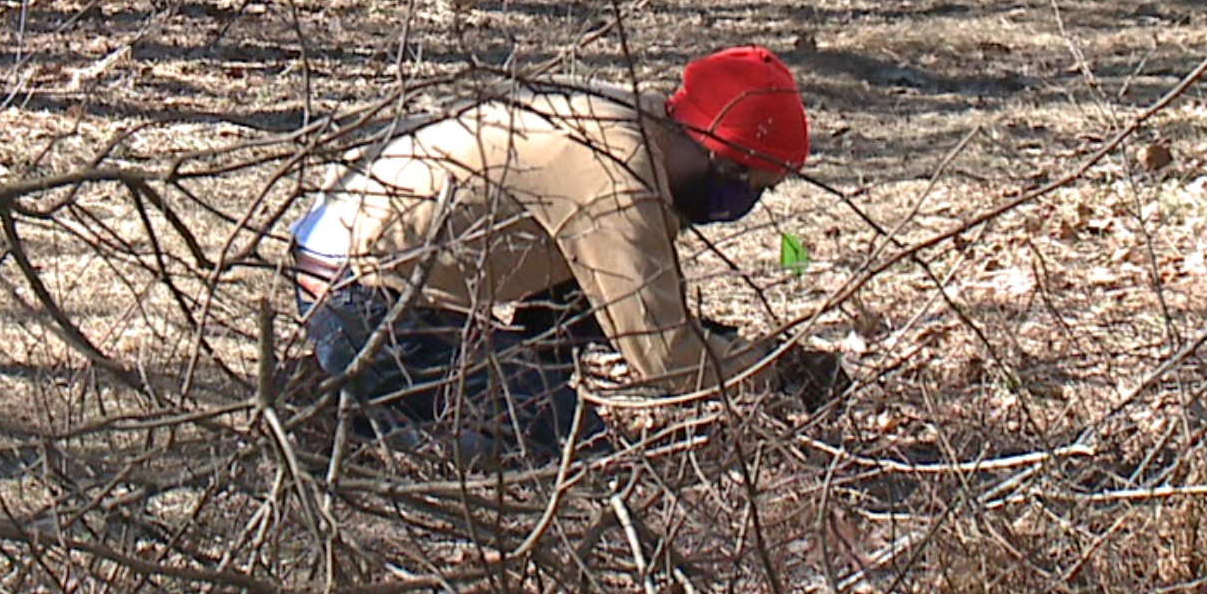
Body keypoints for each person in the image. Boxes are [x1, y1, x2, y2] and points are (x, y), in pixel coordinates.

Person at [289, 46, 846, 465]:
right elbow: (665, 361)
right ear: (714, 154)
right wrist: (774, 372)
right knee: (564, 445)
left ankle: (371, 396)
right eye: (746, 183)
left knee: (571, 317)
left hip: (342, 265)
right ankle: (352, 423)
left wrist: (731, 348)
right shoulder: (619, 176)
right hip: (357, 297)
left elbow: (616, 306)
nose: (744, 202)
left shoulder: (633, 124)